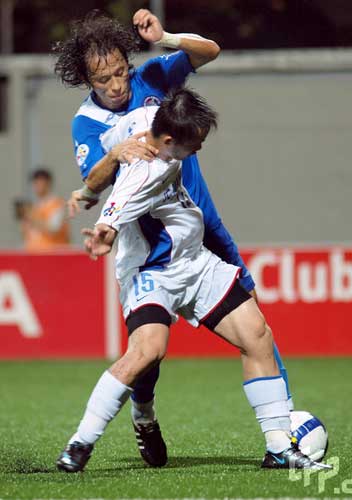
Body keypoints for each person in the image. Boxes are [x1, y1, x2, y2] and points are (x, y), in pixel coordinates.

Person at [53, 8, 293, 467]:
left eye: (122, 71)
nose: (118, 84)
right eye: (105, 78)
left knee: (256, 326)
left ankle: (283, 433)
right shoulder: (88, 124)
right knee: (148, 355)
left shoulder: (153, 79)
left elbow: (209, 51)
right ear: (86, 77)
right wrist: (114, 159)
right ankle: (141, 414)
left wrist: (166, 36)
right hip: (150, 257)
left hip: (202, 228)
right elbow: (100, 182)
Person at [16, 168, 70, 251]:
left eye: (41, 182)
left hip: (53, 254)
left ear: (48, 183)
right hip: (34, 254)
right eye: (36, 183)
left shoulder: (57, 205)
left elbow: (54, 228)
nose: (38, 186)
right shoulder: (34, 207)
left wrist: (31, 217)